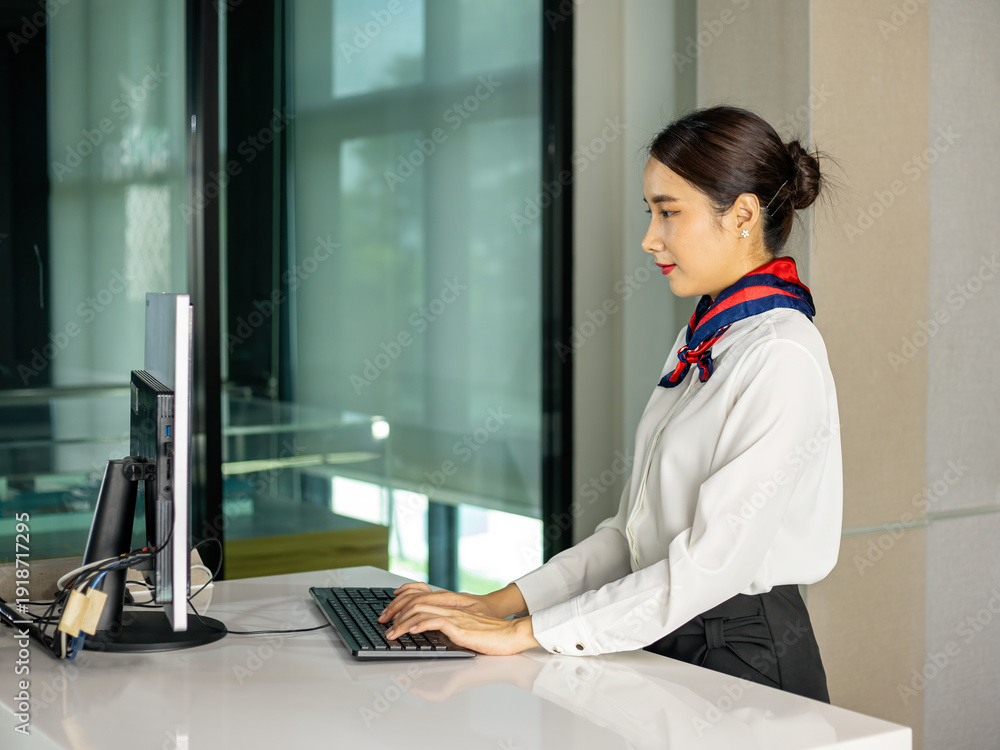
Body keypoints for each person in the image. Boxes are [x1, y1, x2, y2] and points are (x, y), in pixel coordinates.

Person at [380, 105, 842, 703]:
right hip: (667, 626)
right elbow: (629, 539)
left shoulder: (782, 353)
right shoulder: (705, 337)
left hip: (743, 653)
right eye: (650, 212)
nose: (650, 238)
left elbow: (710, 567)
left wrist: (522, 634)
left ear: (744, 215)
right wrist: (490, 606)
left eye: (668, 213)